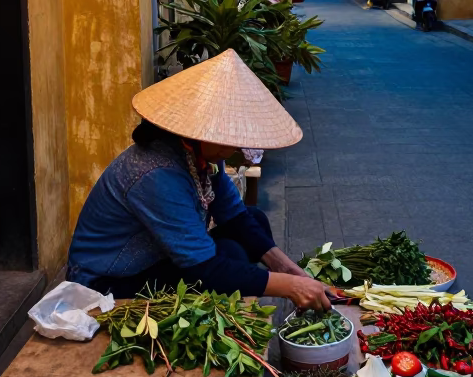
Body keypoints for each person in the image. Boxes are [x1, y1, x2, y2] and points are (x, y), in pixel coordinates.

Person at [66, 48, 331, 311]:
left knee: (254, 222)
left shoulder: (201, 151)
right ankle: (233, 313)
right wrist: (289, 286)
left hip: (156, 257)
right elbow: (203, 267)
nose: (236, 148)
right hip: (108, 283)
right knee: (231, 259)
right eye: (230, 139)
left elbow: (233, 215)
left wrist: (284, 267)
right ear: (200, 129)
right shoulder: (157, 174)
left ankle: (240, 299)